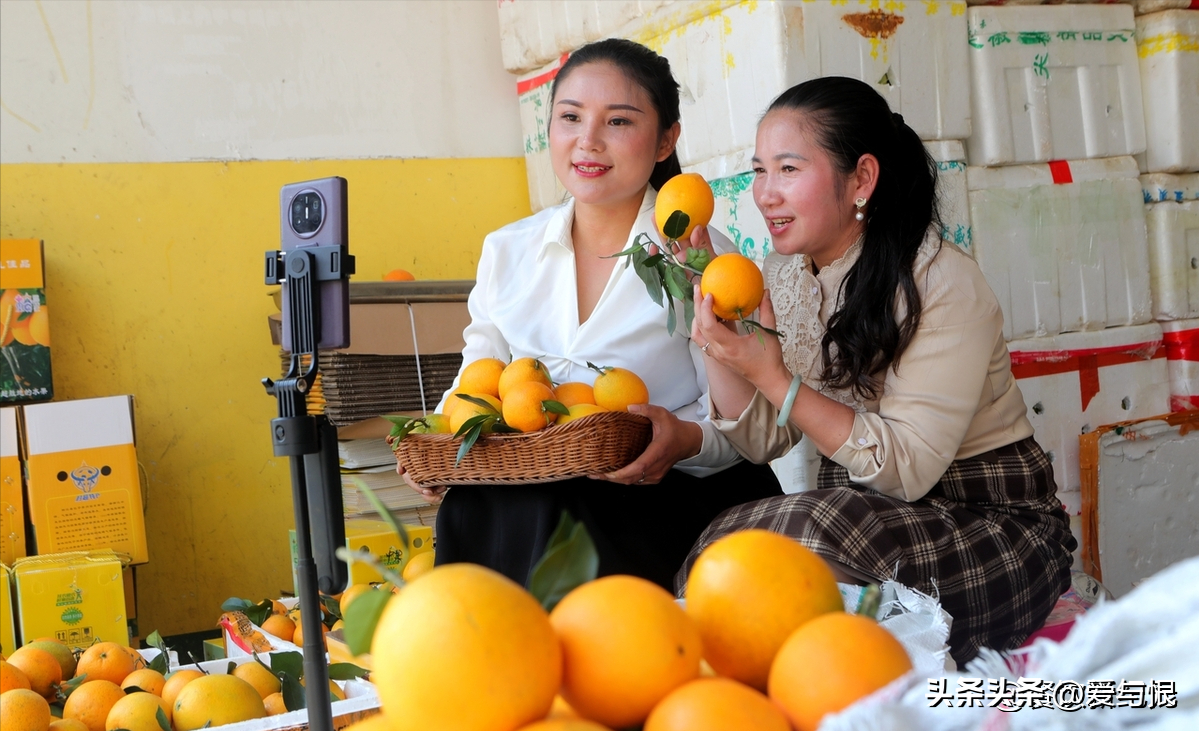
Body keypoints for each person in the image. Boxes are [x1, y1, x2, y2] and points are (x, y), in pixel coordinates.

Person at [683, 77, 1076, 664]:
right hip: (869, 517)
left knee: (798, 538)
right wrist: (725, 343)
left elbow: (911, 470)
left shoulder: (940, 280)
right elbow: (767, 438)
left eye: (788, 169)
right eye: (759, 170)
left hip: (989, 521)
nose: (765, 194)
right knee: (727, 549)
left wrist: (771, 374)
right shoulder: (787, 276)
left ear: (861, 179)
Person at [399, 38, 783, 591]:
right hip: (533, 485)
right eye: (570, 117)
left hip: (661, 497)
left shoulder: (702, 258)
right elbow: (478, 379)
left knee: (569, 505)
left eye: (619, 122)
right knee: (474, 503)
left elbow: (746, 431)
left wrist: (681, 440)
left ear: (665, 140)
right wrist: (433, 445)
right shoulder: (507, 250)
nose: (588, 141)